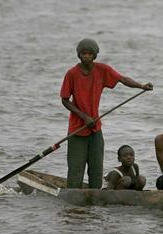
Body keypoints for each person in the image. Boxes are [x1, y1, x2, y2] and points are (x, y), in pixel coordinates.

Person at [60, 38, 153, 189]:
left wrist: (141, 86)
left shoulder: (102, 70)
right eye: (83, 54)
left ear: (95, 55)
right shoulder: (72, 73)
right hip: (77, 130)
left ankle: (95, 200)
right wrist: (84, 117)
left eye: (90, 54)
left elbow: (122, 79)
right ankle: (73, 201)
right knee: (76, 169)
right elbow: (64, 99)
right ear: (79, 55)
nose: (87, 57)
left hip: (95, 129)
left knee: (96, 169)